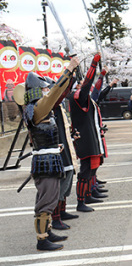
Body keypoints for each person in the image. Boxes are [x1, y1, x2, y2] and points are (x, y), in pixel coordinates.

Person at [23, 56, 79, 251]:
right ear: (38, 90)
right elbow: (57, 91)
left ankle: (47, 232)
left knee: (51, 197)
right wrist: (69, 69)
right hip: (45, 161)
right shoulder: (38, 107)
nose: (48, 90)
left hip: (50, 157)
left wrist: (56, 148)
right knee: (46, 201)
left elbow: (42, 135)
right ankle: (42, 239)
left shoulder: (38, 108)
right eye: (45, 88)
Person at [68, 54, 108, 213]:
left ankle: (88, 194)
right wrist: (93, 64)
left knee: (91, 169)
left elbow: (95, 89)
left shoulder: (84, 97)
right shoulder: (76, 97)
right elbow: (87, 86)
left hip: (91, 137)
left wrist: (101, 75)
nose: (81, 85)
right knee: (85, 171)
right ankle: (81, 201)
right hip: (84, 139)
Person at [43, 77, 79, 230]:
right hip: (54, 150)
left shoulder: (56, 106)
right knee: (60, 183)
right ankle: (55, 217)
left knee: (68, 178)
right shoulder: (46, 106)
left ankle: (62, 212)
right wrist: (70, 76)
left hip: (63, 146)